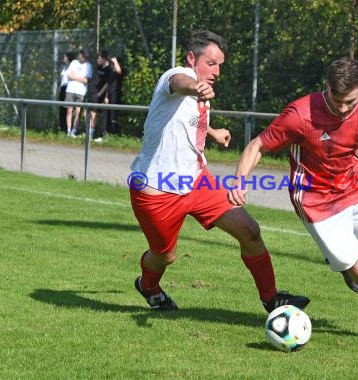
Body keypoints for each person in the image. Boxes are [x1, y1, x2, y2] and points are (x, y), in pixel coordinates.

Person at [228, 57, 358, 343]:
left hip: (355, 187)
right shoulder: (299, 115)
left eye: (351, 101)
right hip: (316, 201)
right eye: (337, 100)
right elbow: (258, 145)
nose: (343, 109)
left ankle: (351, 268)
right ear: (326, 87)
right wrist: (239, 180)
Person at [129, 30, 310, 313]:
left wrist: (212, 132)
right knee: (165, 256)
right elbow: (179, 83)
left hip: (198, 182)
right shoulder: (176, 76)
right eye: (211, 63)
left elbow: (187, 119)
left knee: (250, 231)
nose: (216, 71)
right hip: (157, 189)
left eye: (220, 65)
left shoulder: (201, 93)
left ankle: (272, 298)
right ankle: (148, 286)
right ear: (191, 58)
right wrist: (196, 87)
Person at [65, 49, 92, 137]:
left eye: (85, 57)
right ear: (80, 55)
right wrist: (80, 78)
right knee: (69, 110)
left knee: (77, 111)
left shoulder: (88, 65)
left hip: (81, 91)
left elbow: (86, 80)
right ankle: (68, 131)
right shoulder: (74, 63)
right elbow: (69, 75)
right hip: (70, 90)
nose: (84, 58)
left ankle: (74, 131)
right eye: (83, 56)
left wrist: (75, 77)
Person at [87, 51, 111, 142]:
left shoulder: (109, 70)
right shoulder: (98, 67)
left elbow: (107, 84)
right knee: (91, 113)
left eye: (99, 58)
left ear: (104, 59)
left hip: (101, 96)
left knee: (100, 115)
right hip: (94, 94)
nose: (97, 60)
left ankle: (101, 135)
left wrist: (102, 94)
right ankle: (90, 135)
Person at [104, 55, 123, 135]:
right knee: (108, 115)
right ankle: (107, 133)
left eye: (114, 63)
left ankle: (114, 133)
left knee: (114, 115)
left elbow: (119, 71)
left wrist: (115, 61)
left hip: (117, 96)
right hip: (110, 96)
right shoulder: (111, 72)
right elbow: (108, 85)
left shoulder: (119, 72)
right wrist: (106, 96)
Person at [59, 52, 76, 133]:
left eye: (65, 56)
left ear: (69, 58)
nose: (63, 58)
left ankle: (67, 129)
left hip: (68, 89)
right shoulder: (65, 67)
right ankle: (62, 128)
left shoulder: (72, 67)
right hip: (62, 89)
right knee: (61, 109)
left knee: (67, 110)